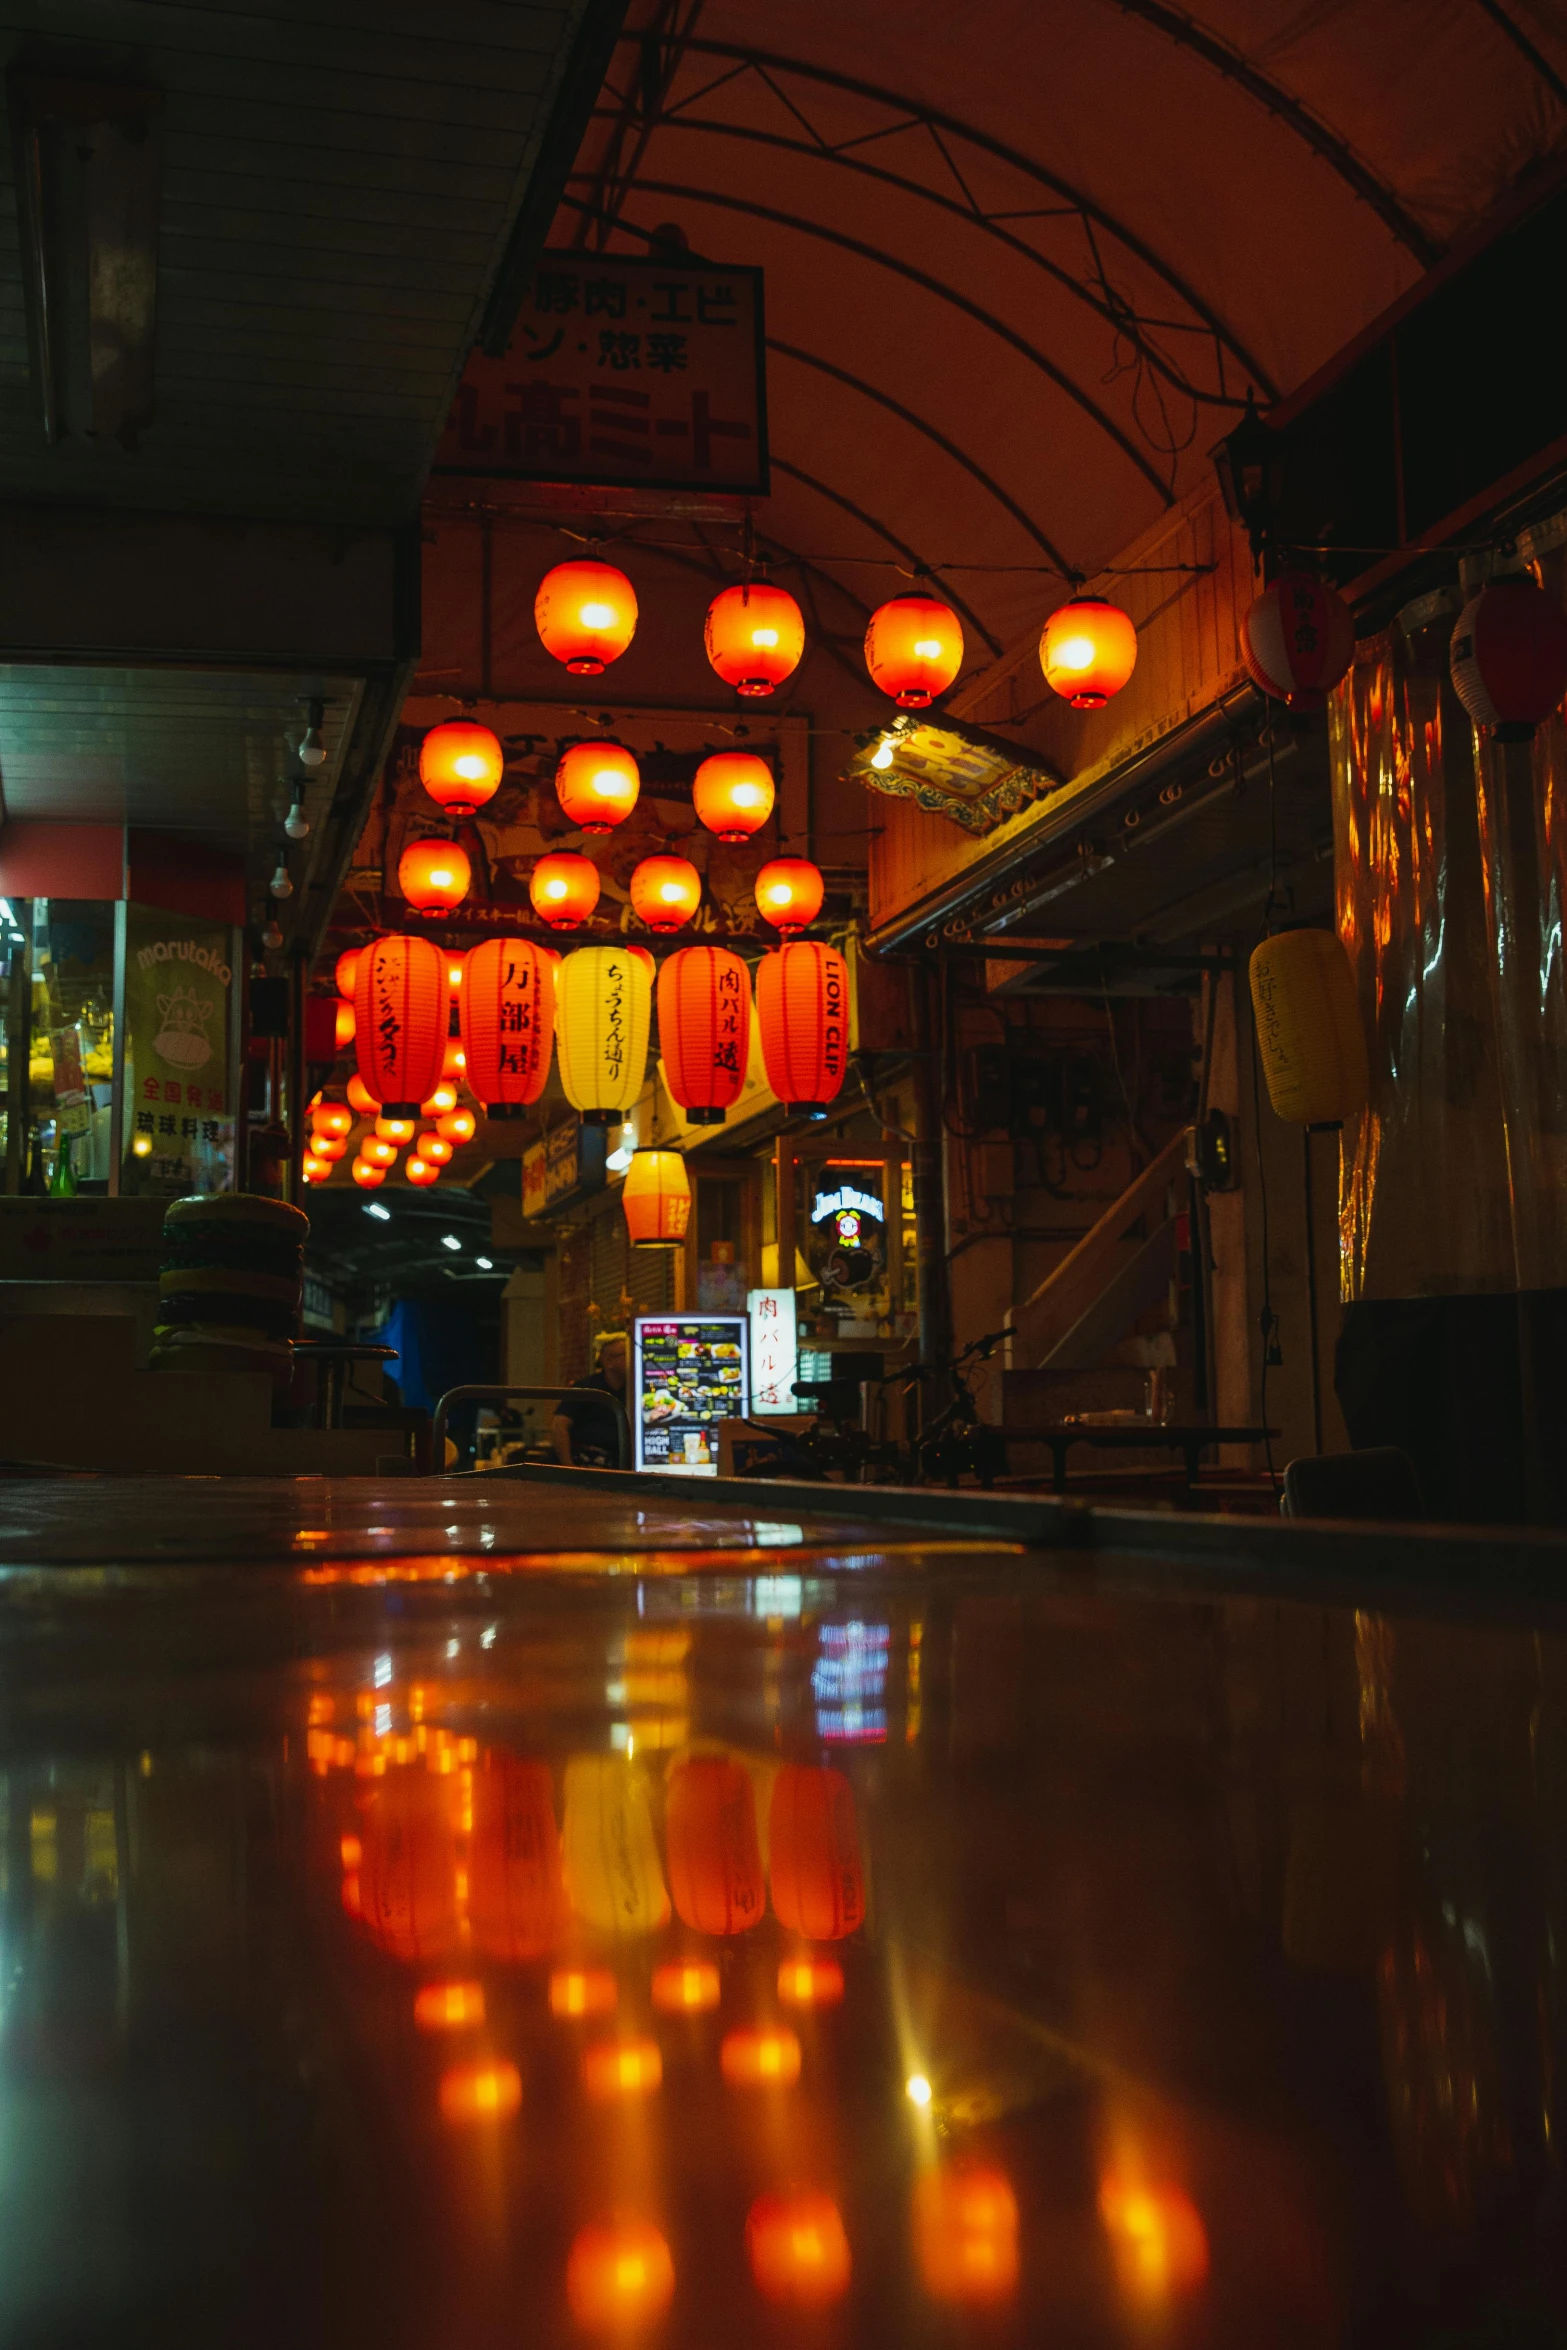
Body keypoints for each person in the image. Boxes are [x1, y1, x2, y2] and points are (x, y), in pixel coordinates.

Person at [551, 1331, 630, 1466]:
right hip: (589, 1463)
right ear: (607, 1361)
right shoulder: (587, 1388)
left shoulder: (635, 1389)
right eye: (625, 1355)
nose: (631, 1360)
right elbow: (559, 1425)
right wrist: (568, 1466)